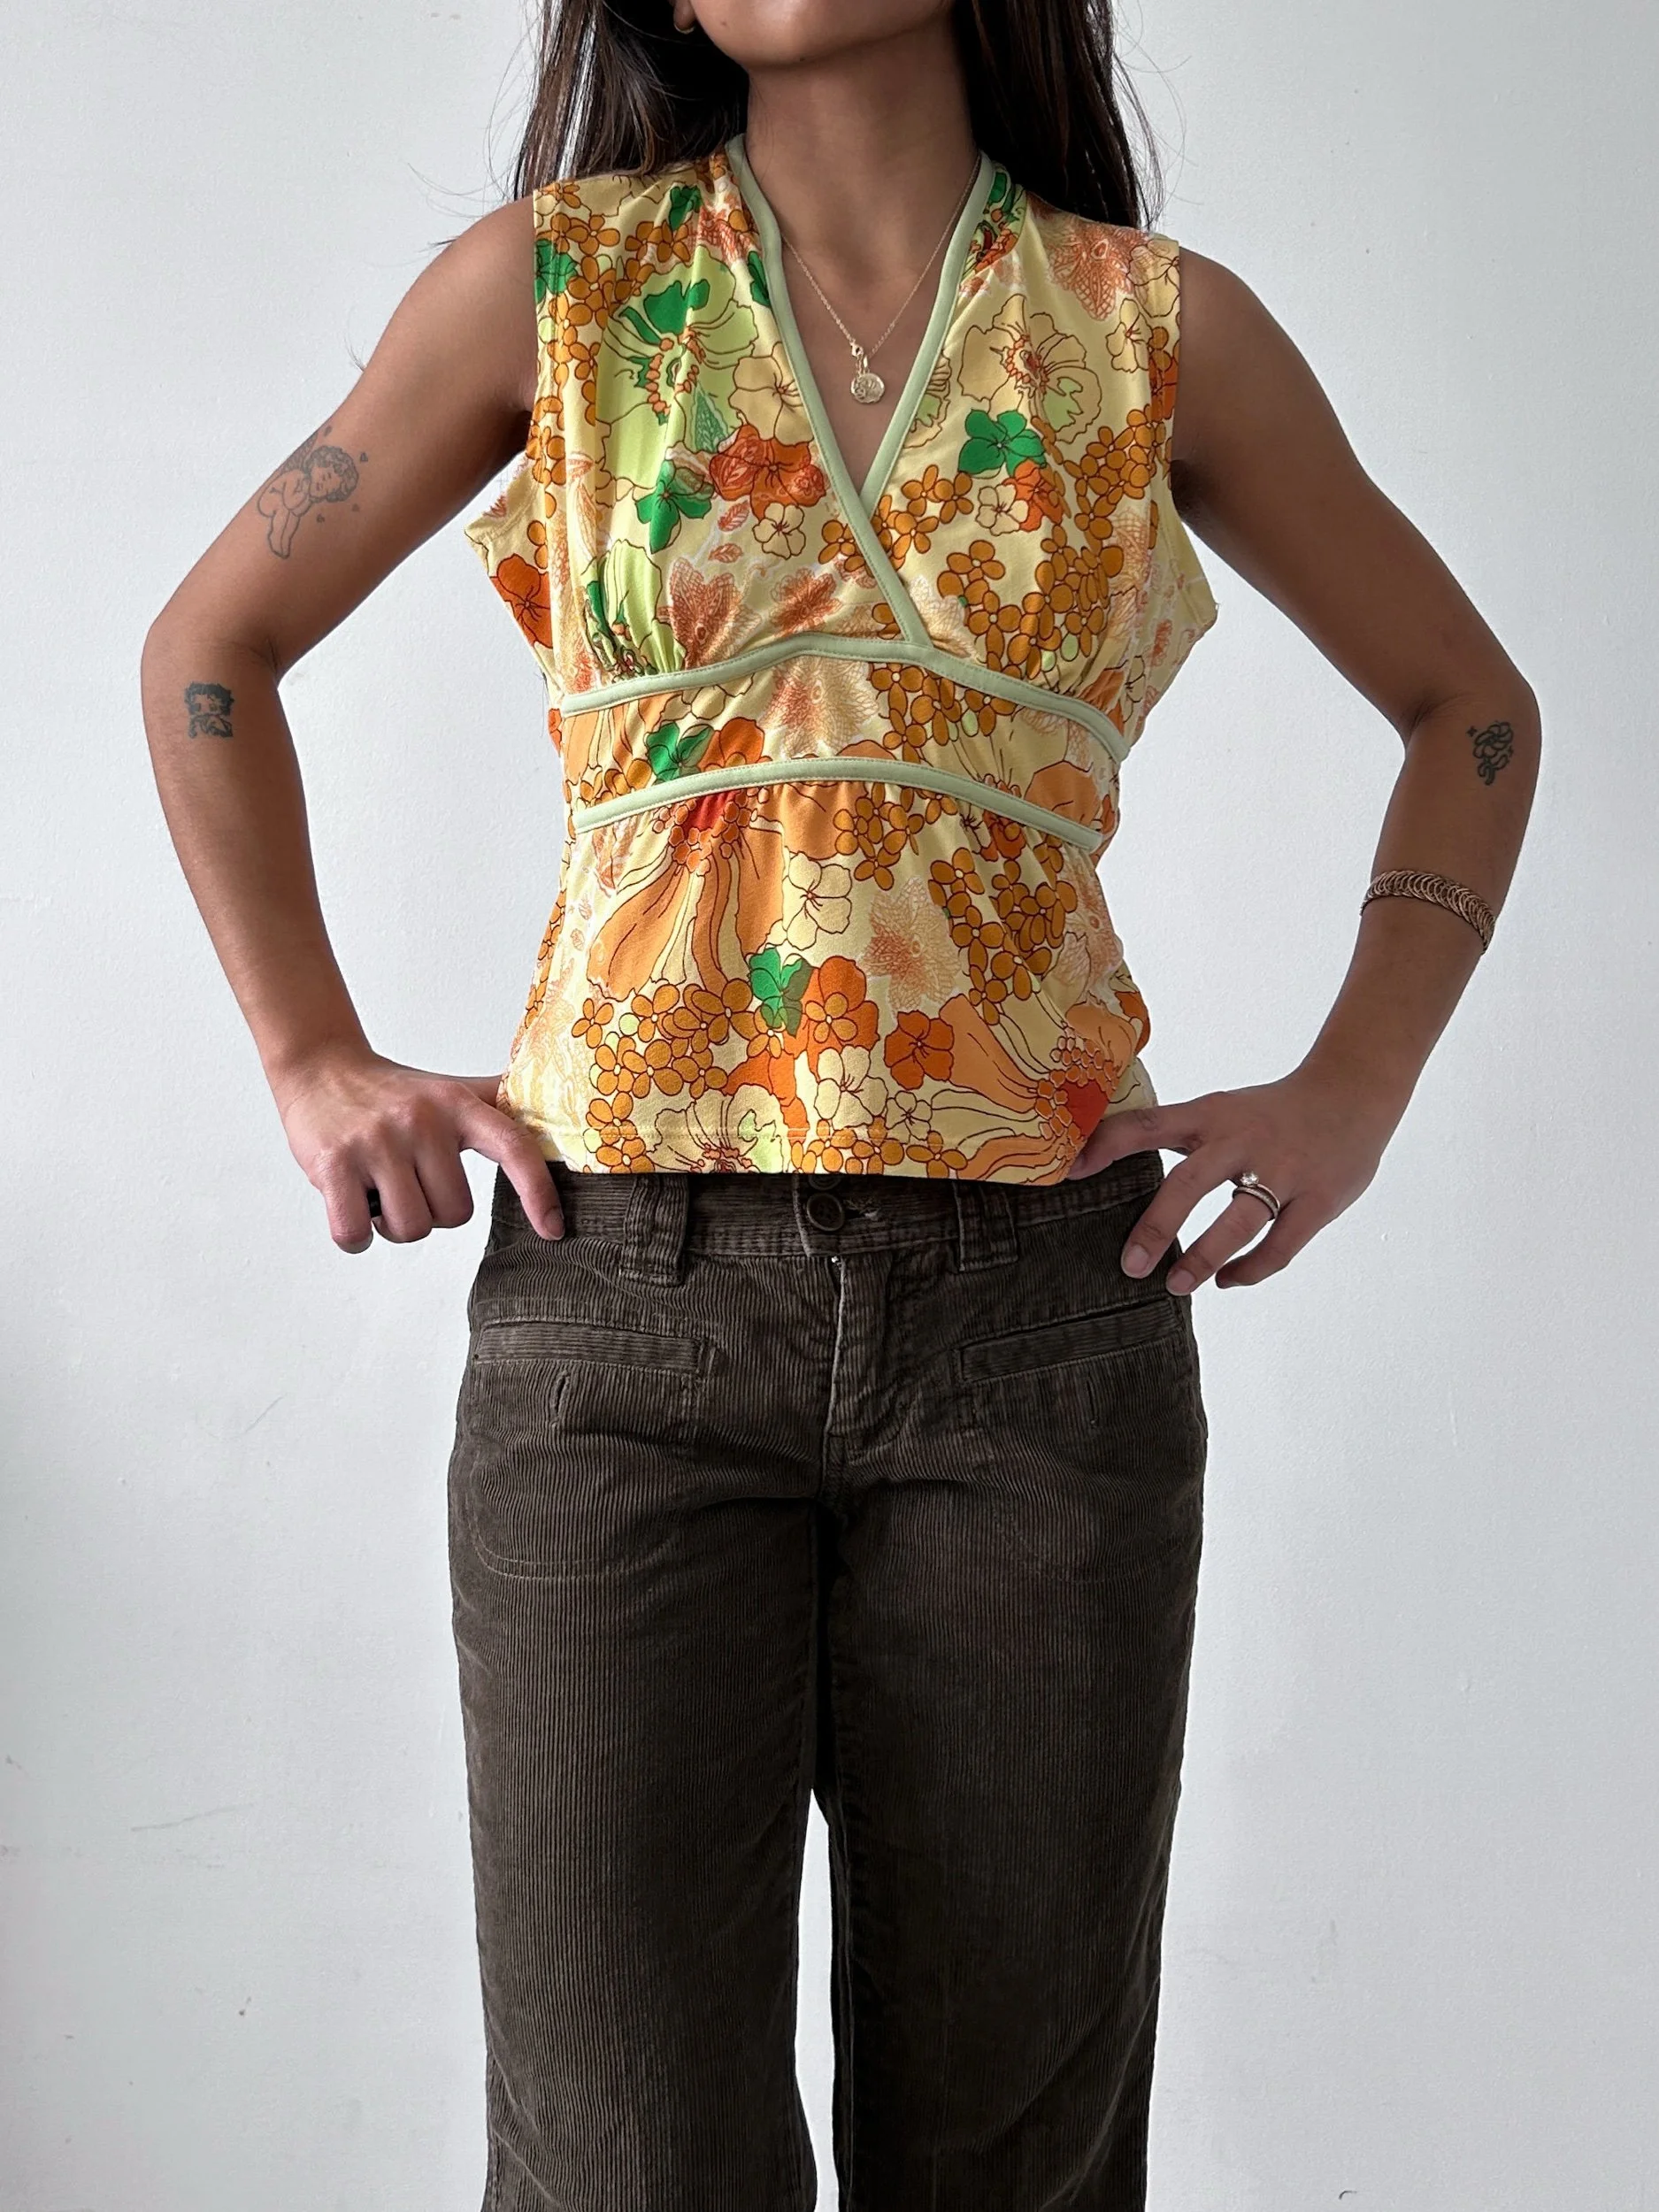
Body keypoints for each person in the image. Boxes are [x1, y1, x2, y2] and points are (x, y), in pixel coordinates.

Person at [139, 1, 1539, 2204]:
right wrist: (312, 1055)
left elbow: (1469, 705)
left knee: (1014, 2164)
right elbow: (208, 651)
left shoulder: (1154, 329)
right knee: (622, 2161)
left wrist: (1353, 1086)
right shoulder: (553, 287)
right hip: (622, 1305)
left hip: (1042, 1322)